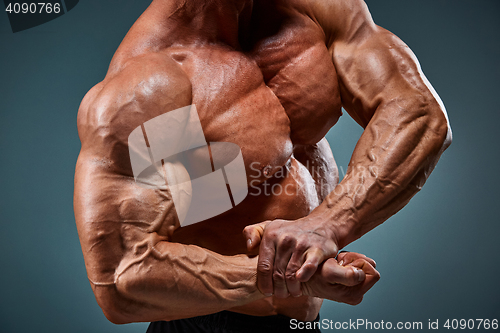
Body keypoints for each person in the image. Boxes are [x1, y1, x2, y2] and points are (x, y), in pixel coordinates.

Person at [74, 0, 452, 331]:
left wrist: (326, 228)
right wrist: (289, 275)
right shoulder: (154, 84)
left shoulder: (314, 12)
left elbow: (418, 114)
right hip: (207, 326)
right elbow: (123, 276)